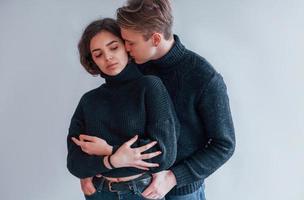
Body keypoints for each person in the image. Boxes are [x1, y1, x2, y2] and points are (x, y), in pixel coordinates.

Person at [114, 0, 236, 199]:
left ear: (155, 39)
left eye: (131, 42)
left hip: (181, 193)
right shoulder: (134, 69)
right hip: (135, 189)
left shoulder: (203, 77)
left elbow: (224, 145)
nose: (125, 48)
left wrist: (173, 177)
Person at [66, 18, 179, 200]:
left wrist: (109, 149)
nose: (108, 57)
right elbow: (74, 164)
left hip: (141, 192)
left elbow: (164, 154)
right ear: (92, 61)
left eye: (113, 47)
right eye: (98, 54)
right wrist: (111, 161)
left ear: (127, 46)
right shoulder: (89, 101)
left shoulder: (150, 87)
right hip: (100, 193)